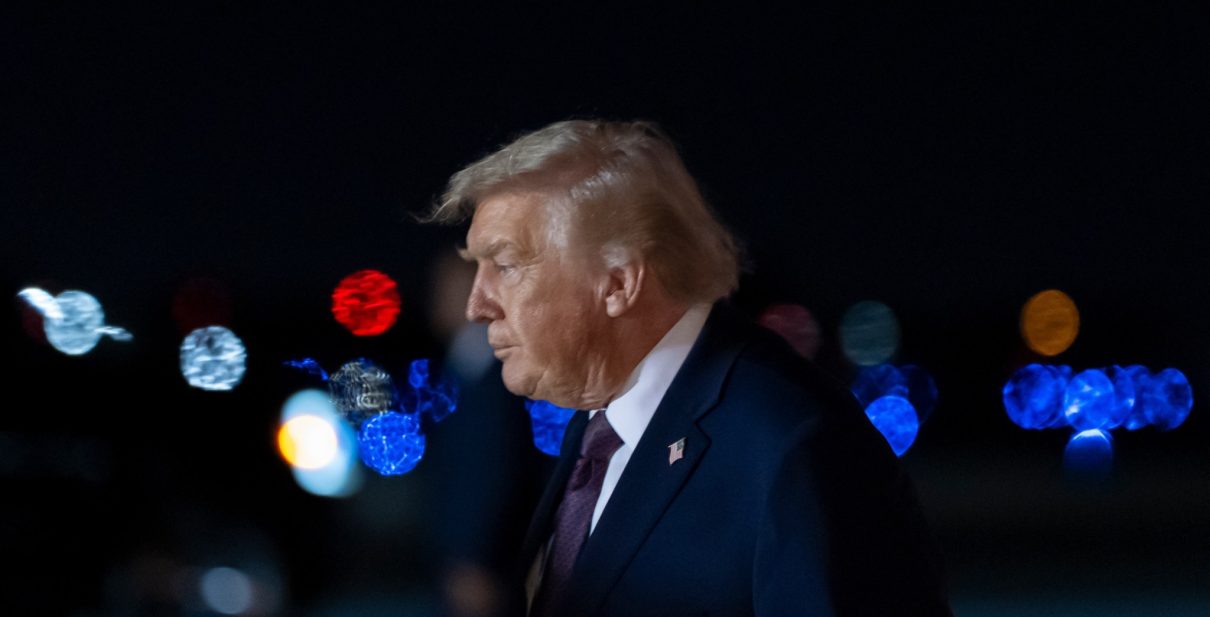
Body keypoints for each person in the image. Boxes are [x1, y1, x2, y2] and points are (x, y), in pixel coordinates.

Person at [426, 119, 951, 616]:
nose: (476, 306)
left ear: (618, 283)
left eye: (506, 266)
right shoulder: (603, 424)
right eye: (478, 268)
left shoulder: (793, 445)